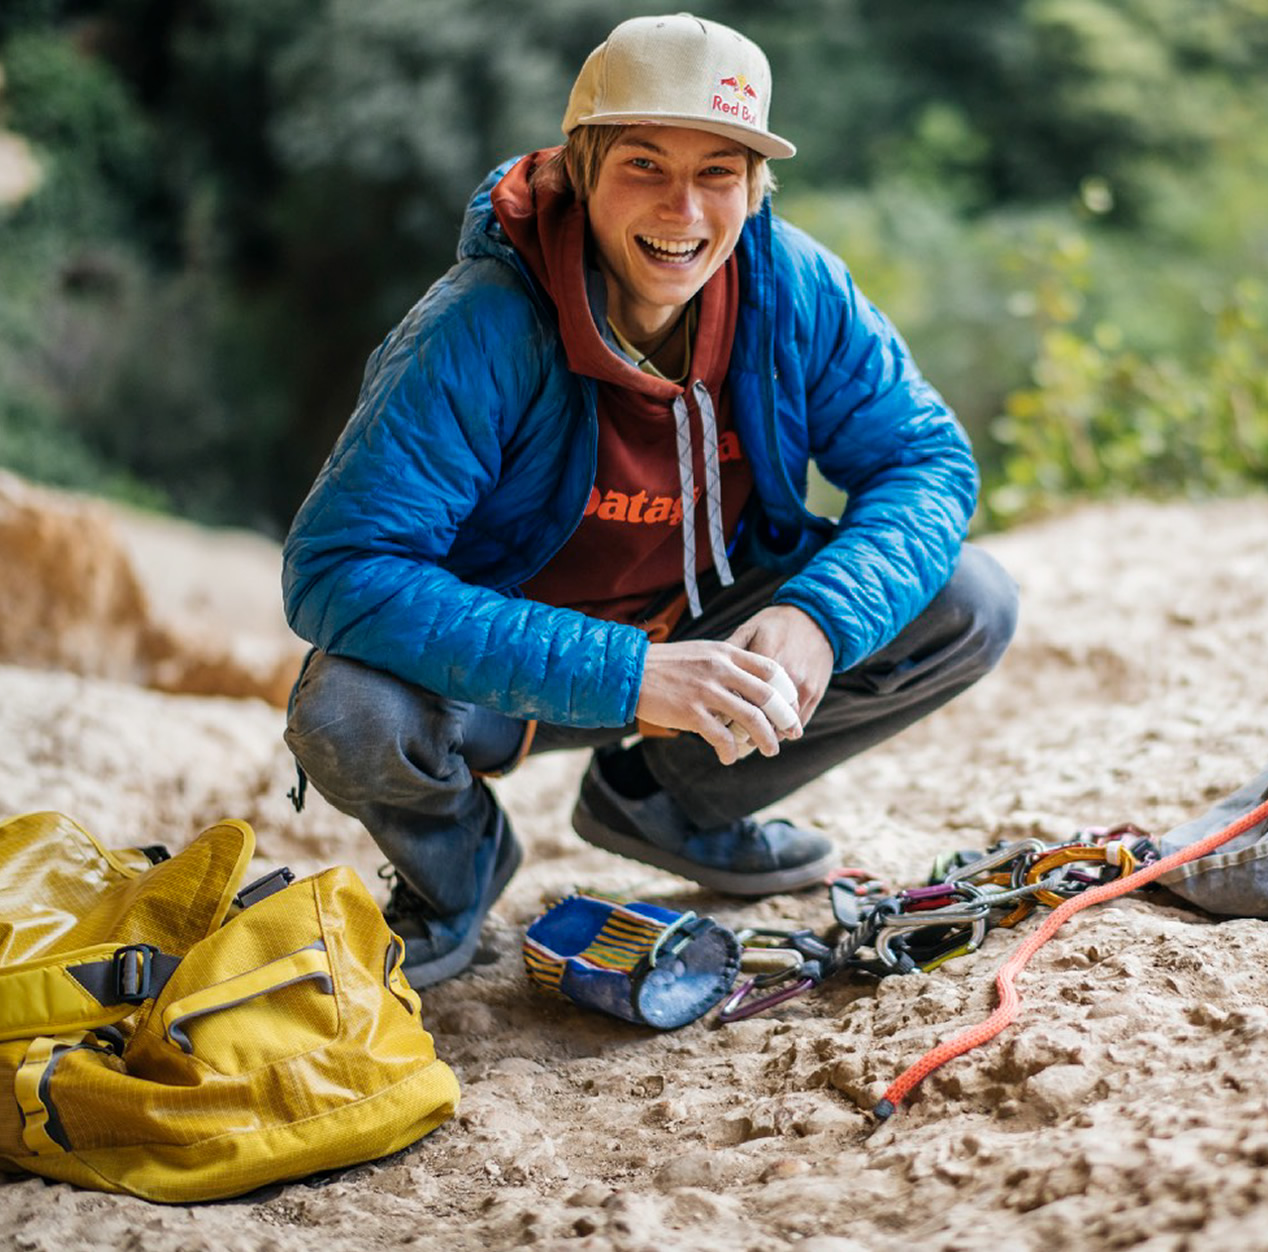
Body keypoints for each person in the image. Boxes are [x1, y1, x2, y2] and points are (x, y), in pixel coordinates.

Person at [281, 13, 1019, 989]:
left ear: (756, 188)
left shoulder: (794, 290)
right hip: (501, 674)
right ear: (579, 170)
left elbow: (927, 461)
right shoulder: (480, 326)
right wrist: (632, 675)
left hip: (710, 633)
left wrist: (815, 616)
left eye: (718, 171)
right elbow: (340, 569)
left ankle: (665, 800)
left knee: (968, 599)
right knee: (348, 708)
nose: (683, 210)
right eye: (643, 165)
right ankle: (455, 873)